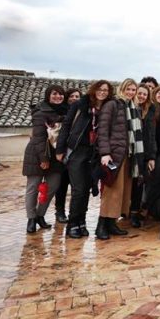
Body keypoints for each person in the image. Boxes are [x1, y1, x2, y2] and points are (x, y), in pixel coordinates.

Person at [56, 80, 113, 239]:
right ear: (94, 90)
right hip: (77, 151)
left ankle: (82, 222)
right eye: (100, 89)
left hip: (93, 153)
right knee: (78, 189)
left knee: (86, 189)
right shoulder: (80, 105)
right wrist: (60, 149)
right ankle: (72, 224)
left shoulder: (107, 108)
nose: (102, 92)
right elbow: (66, 126)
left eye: (106, 90)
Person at [95, 78, 143, 240]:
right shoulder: (113, 105)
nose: (131, 92)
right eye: (128, 89)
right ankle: (101, 225)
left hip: (128, 154)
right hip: (115, 154)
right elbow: (103, 129)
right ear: (122, 89)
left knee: (122, 191)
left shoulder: (133, 107)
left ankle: (112, 223)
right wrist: (105, 153)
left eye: (133, 90)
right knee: (111, 190)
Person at [23, 84, 67, 233]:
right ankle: (31, 218)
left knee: (53, 186)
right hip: (37, 154)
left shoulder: (65, 112)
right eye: (54, 94)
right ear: (48, 95)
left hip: (56, 155)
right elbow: (39, 138)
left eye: (60, 94)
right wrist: (43, 159)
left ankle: (39, 215)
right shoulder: (40, 113)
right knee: (33, 188)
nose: (58, 96)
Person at [130, 84, 157, 228]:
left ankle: (134, 213)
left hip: (143, 153)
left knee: (138, 184)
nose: (141, 96)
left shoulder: (148, 111)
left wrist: (151, 156)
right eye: (139, 93)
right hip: (128, 151)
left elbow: (151, 135)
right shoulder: (127, 107)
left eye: (144, 94)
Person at [52, 87, 80, 224]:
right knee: (62, 184)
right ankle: (60, 211)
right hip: (62, 153)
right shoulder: (61, 112)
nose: (75, 99)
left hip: (77, 154)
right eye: (72, 96)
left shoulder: (82, 113)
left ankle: (73, 212)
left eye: (77, 96)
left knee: (76, 186)